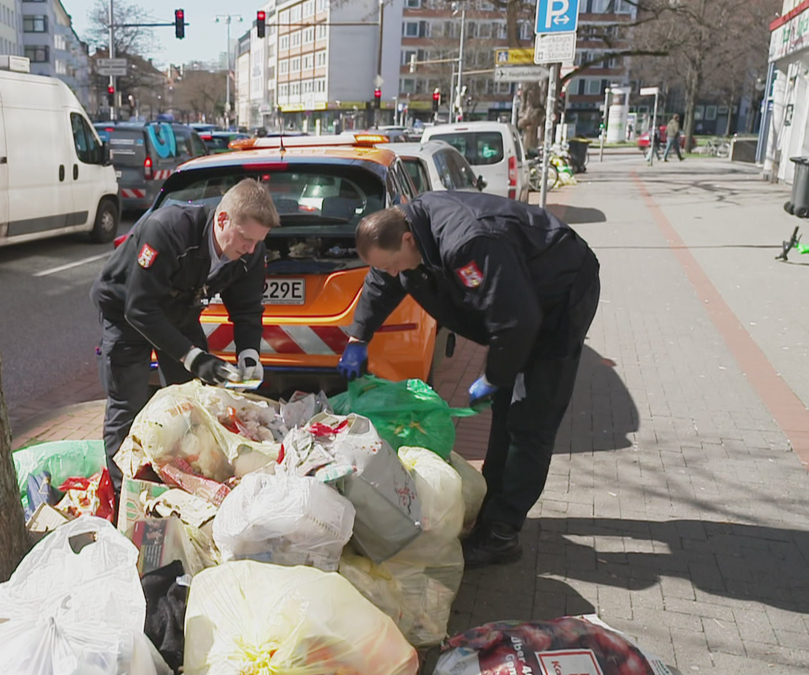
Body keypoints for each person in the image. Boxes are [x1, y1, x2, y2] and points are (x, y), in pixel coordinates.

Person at [336, 191, 601, 568]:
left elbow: (515, 319)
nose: (394, 273)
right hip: (518, 301)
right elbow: (383, 280)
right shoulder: (402, 235)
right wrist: (358, 337)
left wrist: (494, 374)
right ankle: (492, 508)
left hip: (559, 294)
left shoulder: (467, 244)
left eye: (396, 264)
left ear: (408, 239)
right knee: (506, 413)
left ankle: (502, 534)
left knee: (530, 417)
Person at [91, 179, 280, 491]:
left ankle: (181, 478)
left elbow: (247, 308)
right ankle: (126, 495)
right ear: (222, 220)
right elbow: (139, 309)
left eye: (257, 242)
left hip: (179, 313)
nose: (249, 249)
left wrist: (249, 354)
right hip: (127, 312)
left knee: (190, 404)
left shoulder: (250, 251)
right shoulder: (168, 230)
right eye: (246, 239)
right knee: (128, 406)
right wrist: (193, 356)